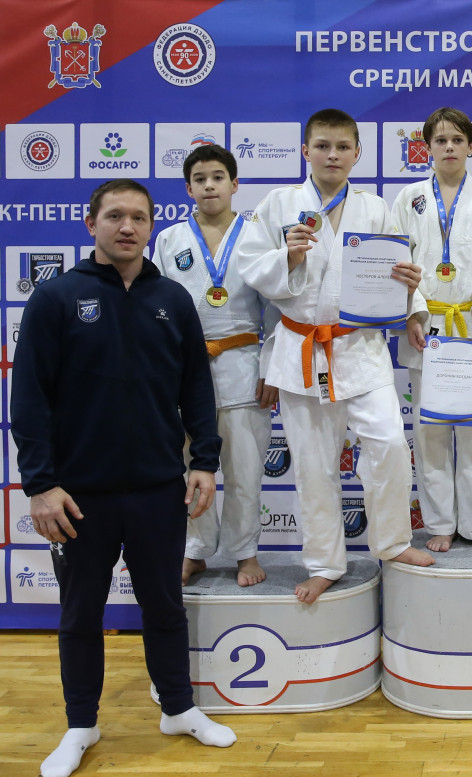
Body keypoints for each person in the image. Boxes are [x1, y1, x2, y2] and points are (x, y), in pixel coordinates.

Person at [12, 179, 237, 777]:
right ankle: (80, 725)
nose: (127, 227)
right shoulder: (56, 297)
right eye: (114, 216)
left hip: (158, 488)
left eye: (138, 217)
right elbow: (28, 398)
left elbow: (196, 386)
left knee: (164, 607)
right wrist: (40, 484)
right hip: (78, 495)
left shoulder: (173, 298)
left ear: (151, 226)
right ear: (92, 224)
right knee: (81, 615)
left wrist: (204, 461)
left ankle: (179, 709)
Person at [236, 108, 434, 604]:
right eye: (322, 146)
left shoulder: (376, 209)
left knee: (390, 444)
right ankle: (325, 563)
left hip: (360, 348)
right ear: (305, 150)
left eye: (342, 147)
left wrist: (413, 300)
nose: (332, 155)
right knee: (312, 463)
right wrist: (288, 256)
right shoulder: (279, 204)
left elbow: (400, 269)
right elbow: (250, 267)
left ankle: (392, 542)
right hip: (301, 348)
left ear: (357, 153)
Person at [153, 144, 278, 587]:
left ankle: (245, 553)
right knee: (189, 466)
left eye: (218, 177)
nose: (209, 185)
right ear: (188, 188)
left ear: (235, 184)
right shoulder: (169, 239)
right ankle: (194, 550)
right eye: (200, 179)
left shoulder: (258, 235)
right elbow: (156, 305)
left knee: (245, 469)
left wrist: (270, 367)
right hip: (185, 369)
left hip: (244, 365)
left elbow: (275, 308)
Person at [392, 107, 472, 552]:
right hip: (428, 329)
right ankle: (441, 522)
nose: (449, 147)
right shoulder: (409, 198)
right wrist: (412, 314)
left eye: (457, 139)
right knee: (431, 432)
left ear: (471, 146)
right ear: (427, 147)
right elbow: (399, 263)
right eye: (440, 140)